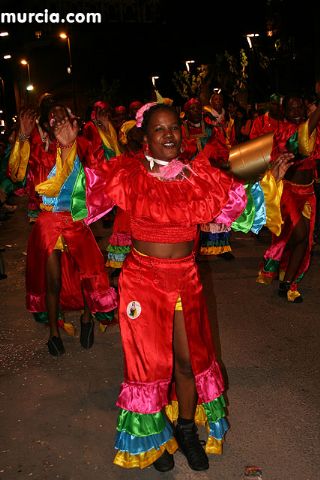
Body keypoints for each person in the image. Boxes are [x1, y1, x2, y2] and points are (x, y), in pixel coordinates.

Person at [83, 102, 248, 472]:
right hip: (142, 280)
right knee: (151, 366)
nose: (169, 134)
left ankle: (187, 430)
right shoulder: (130, 173)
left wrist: (262, 173)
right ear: (145, 137)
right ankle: (156, 439)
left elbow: (238, 206)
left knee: (188, 363)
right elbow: (83, 196)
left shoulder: (197, 176)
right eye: (159, 129)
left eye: (173, 127)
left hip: (186, 279)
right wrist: (65, 149)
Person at [25, 103, 117, 355]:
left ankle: (87, 318)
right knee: (52, 282)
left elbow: (107, 171)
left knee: (87, 275)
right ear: (46, 125)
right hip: (49, 222)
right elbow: (29, 182)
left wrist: (104, 132)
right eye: (53, 118)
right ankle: (54, 333)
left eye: (63, 115)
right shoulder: (39, 152)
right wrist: (25, 138)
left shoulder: (85, 146)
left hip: (76, 221)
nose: (59, 120)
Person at [256, 92, 320, 302]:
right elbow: (299, 144)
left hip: (309, 192)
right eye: (291, 108)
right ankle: (280, 258)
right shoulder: (284, 131)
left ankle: (288, 283)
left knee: (305, 241)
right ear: (285, 111)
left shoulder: (314, 129)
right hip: (289, 192)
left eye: (299, 108)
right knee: (298, 233)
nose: (295, 112)